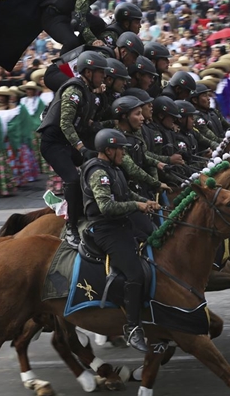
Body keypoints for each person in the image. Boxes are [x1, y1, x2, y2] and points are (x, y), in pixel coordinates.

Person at [80, 128, 160, 351]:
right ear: (108, 150)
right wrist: (137, 206)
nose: (123, 154)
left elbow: (125, 194)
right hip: (106, 230)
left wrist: (146, 202)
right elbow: (106, 206)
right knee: (134, 273)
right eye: (120, 150)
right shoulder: (99, 173)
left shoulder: (113, 169)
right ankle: (132, 328)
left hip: (122, 224)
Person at [37, 51, 109, 247]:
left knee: (97, 163)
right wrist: (81, 148)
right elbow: (66, 123)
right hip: (53, 144)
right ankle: (71, 227)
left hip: (66, 143)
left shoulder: (88, 92)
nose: (103, 76)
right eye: (100, 72)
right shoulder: (75, 91)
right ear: (87, 72)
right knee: (73, 179)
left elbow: (89, 123)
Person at [111, 94, 170, 198]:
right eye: (138, 114)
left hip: (139, 189)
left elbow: (142, 154)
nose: (142, 118)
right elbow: (132, 169)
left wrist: (158, 163)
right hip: (124, 194)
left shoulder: (135, 133)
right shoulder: (117, 139)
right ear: (125, 116)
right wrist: (157, 183)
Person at [19, 81, 50, 173]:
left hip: (36, 126)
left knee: (39, 147)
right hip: (26, 127)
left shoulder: (39, 101)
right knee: (28, 147)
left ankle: (41, 167)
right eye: (28, 89)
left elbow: (41, 113)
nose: (29, 91)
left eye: (31, 89)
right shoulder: (22, 101)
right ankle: (31, 168)